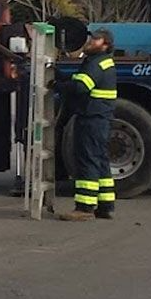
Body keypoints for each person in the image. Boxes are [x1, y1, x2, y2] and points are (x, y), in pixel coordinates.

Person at [59, 28, 118, 220]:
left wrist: (58, 86)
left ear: (105, 44)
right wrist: (60, 76)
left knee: (87, 161)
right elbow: (79, 79)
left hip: (91, 119)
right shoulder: (101, 62)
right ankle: (105, 206)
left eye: (96, 39)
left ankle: (84, 208)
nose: (91, 41)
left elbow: (81, 87)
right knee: (100, 161)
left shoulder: (96, 63)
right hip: (100, 119)